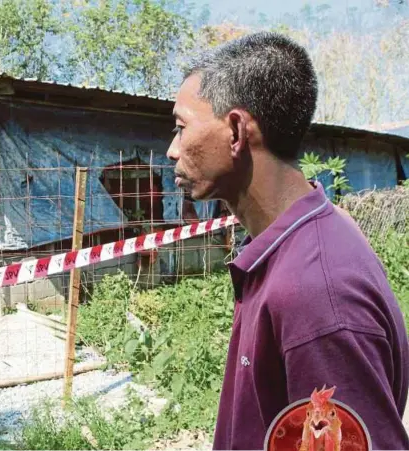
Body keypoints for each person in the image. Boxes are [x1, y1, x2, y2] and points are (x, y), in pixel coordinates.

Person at [166, 31, 409, 450]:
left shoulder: (315, 292)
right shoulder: (300, 242)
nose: (172, 149)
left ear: (237, 131)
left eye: (181, 127)